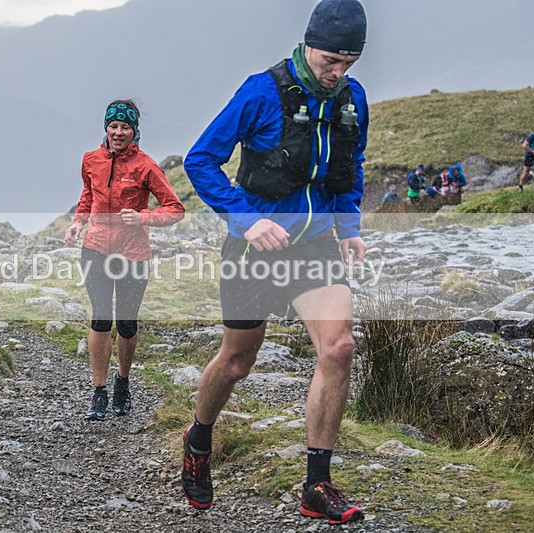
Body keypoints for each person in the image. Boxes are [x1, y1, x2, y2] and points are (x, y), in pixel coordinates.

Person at [181, 0, 369, 525]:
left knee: (340, 347)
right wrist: (247, 221)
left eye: (348, 64)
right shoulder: (263, 91)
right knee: (238, 361)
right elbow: (201, 160)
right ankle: (199, 440)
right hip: (255, 248)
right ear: (309, 45)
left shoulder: (352, 100)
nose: (338, 73)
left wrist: (349, 230)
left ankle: (316, 484)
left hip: (313, 248)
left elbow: (351, 168)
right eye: (331, 60)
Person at [65, 100, 184, 421]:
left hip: (133, 254)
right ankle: (99, 391)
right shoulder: (91, 160)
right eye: (113, 126)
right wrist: (78, 222)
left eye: (125, 127)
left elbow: (175, 209)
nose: (118, 133)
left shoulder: (146, 166)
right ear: (106, 128)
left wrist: (144, 216)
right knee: (101, 319)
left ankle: (123, 382)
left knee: (127, 323)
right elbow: (87, 196)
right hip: (95, 248)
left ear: (135, 131)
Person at [518, 123, 534, 191]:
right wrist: (532, 151)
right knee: (526, 172)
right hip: (529, 155)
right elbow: (524, 145)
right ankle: (520, 185)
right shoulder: (531, 136)